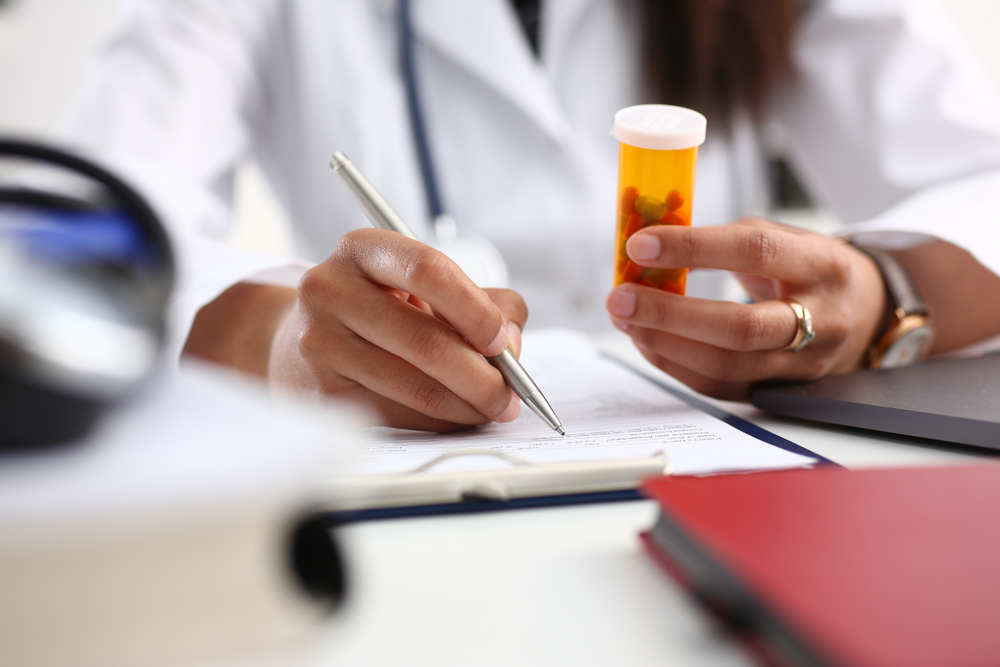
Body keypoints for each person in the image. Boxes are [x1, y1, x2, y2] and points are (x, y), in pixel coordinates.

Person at [59, 0, 1000, 431]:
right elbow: (72, 237)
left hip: (722, 452)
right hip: (411, 488)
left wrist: (887, 295)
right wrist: (286, 338)